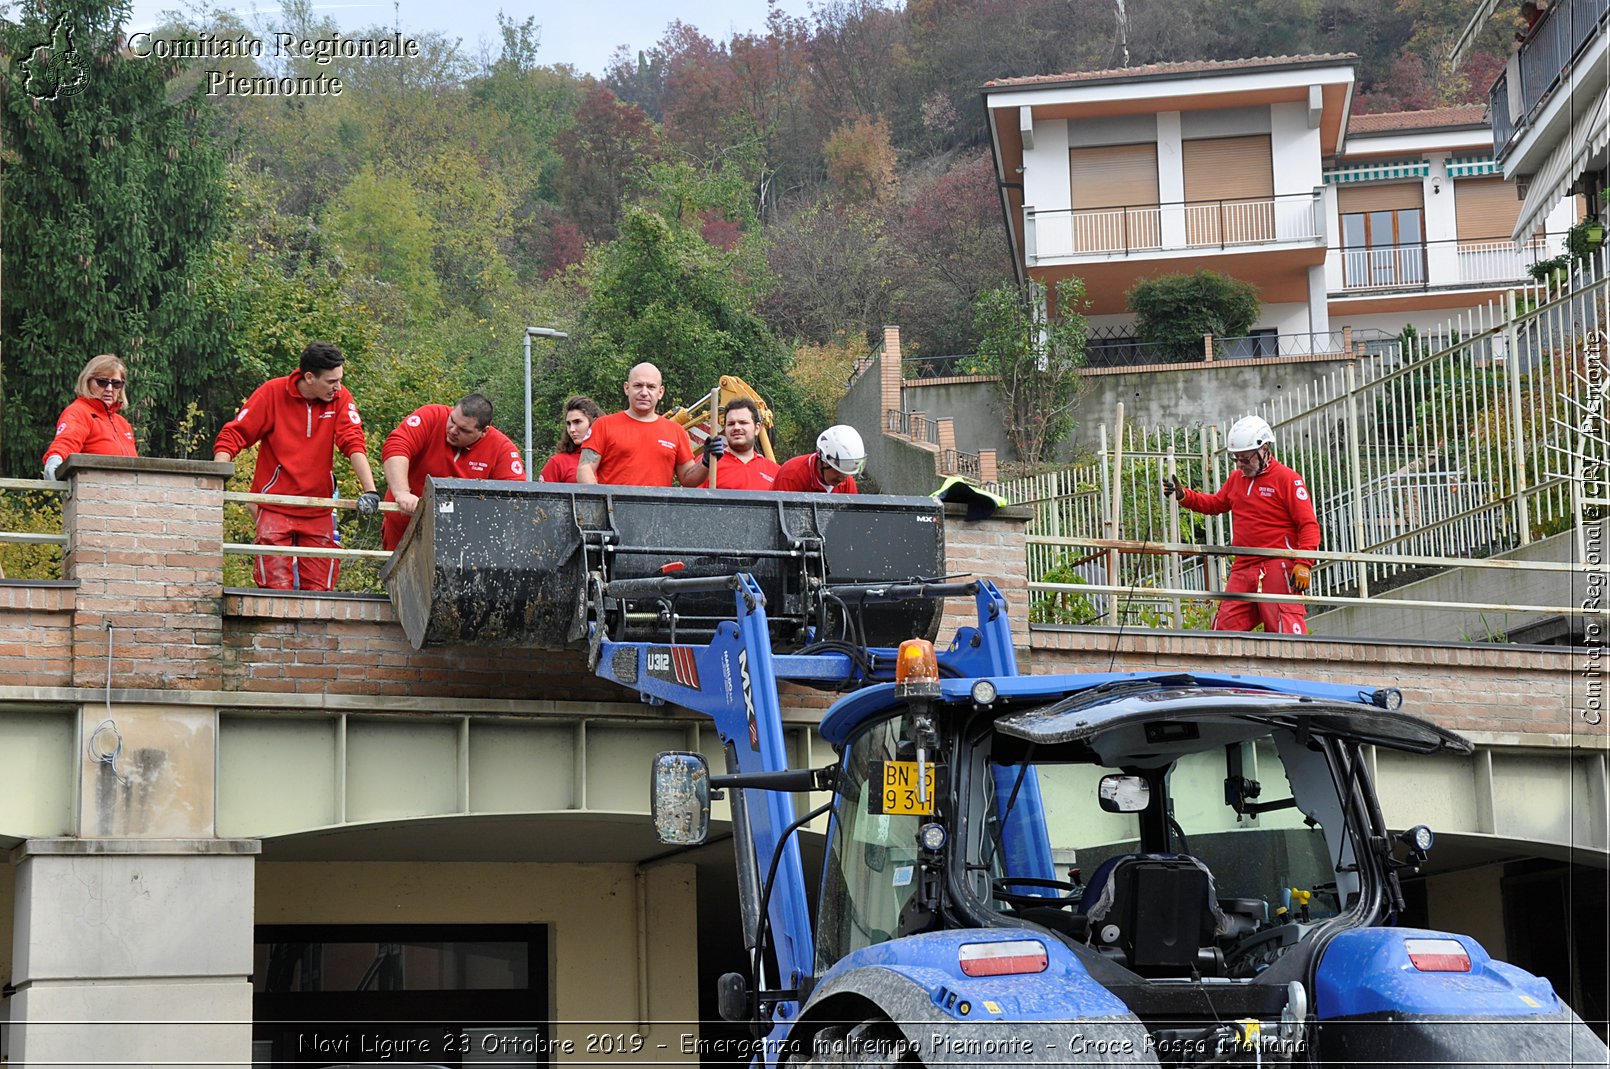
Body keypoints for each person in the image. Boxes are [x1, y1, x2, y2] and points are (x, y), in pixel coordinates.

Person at [213, 341, 380, 591]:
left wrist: (370, 491)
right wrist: (217, 476)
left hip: (318, 507)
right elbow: (234, 435)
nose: (338, 387)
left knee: (320, 590)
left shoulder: (340, 398)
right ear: (309, 377)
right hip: (275, 506)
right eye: (331, 381)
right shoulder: (272, 393)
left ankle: (314, 630)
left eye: (340, 380)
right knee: (275, 589)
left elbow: (353, 441)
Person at [1163, 415, 1320, 635]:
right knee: (1223, 629)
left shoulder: (1288, 479)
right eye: (1236, 459)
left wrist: (1304, 563)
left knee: (1284, 627)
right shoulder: (1236, 479)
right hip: (1243, 565)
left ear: (1264, 449)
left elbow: (1308, 524)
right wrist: (1185, 496)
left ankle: (1295, 668)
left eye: (1245, 459)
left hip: (1276, 562)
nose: (1240, 465)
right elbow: (1216, 504)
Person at [380, 393, 525, 551]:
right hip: (403, 530)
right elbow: (396, 446)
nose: (453, 430)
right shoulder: (432, 416)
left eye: (463, 430)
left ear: (484, 432)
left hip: (462, 543)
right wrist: (402, 493)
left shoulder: (502, 449)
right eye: (452, 420)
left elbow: (515, 499)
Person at [575, 363, 718, 487]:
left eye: (651, 387)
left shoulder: (676, 431)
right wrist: (597, 501)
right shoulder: (604, 425)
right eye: (638, 385)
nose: (644, 392)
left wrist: (705, 461)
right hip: (613, 513)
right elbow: (585, 468)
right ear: (627, 388)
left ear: (660, 392)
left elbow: (688, 479)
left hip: (657, 515)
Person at [42, 354, 138, 478]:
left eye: (116, 384)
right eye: (102, 382)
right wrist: (54, 460)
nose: (109, 388)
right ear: (87, 382)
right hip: (93, 491)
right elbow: (67, 441)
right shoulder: (79, 412)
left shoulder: (123, 423)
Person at [701, 398, 779, 490]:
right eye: (731, 424)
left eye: (743, 423)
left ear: (757, 428)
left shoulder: (775, 472)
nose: (736, 427)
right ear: (725, 429)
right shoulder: (707, 465)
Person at [774, 425, 864, 494]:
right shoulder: (791, 477)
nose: (843, 479)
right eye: (838, 471)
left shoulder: (847, 484)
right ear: (823, 460)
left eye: (847, 474)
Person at [539, 396, 603, 483]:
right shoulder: (558, 462)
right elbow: (542, 495)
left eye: (577, 422)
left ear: (595, 422)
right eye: (568, 424)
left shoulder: (612, 459)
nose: (572, 429)